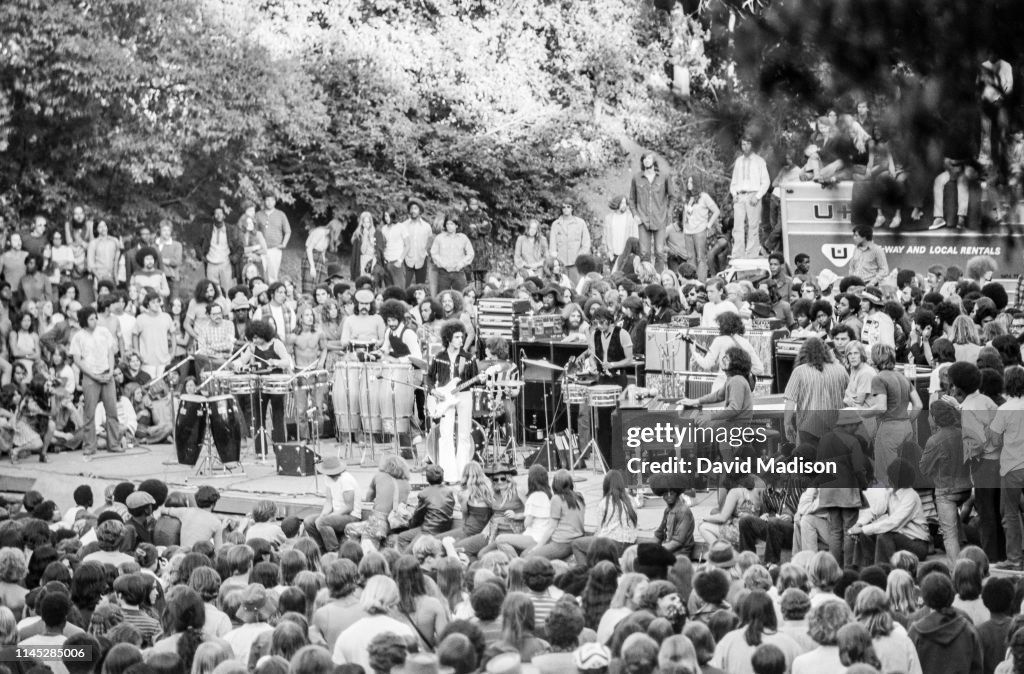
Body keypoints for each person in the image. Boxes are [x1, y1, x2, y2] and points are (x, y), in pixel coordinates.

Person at [427, 320, 480, 483]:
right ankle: (448, 475)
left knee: (464, 435)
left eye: (462, 337)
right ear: (448, 338)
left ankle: (462, 474)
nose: (461, 340)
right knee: (445, 435)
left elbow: (475, 380)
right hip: (444, 396)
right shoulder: (439, 357)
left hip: (464, 396)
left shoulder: (469, 358)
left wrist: (482, 378)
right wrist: (434, 391)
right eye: (457, 337)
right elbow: (429, 378)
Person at [851, 459, 930, 565]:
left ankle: (883, 569)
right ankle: (866, 568)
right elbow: (874, 511)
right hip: (899, 538)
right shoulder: (890, 493)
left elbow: (894, 522)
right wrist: (859, 524)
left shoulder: (911, 496)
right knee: (864, 535)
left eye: (889, 476)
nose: (887, 479)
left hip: (917, 544)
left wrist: (863, 529)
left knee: (883, 535)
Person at [70, 306, 123, 458]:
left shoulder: (104, 332)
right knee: (89, 413)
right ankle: (89, 446)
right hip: (90, 377)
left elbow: (111, 353)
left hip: (107, 374)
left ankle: (114, 443)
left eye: (95, 318)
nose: (94, 321)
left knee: (112, 411)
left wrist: (112, 371)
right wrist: (93, 375)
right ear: (84, 321)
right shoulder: (78, 336)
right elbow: (77, 360)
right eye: (91, 319)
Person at [233, 319, 293, 457]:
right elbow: (242, 360)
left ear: (264, 334)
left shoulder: (276, 344)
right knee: (259, 416)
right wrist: (237, 365)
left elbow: (286, 361)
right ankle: (260, 450)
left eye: (257, 337)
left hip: (275, 383)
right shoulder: (252, 347)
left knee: (278, 415)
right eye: (252, 337)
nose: (254, 340)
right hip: (259, 384)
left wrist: (276, 362)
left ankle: (280, 448)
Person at [908, 573, 983, 674]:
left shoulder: (915, 632)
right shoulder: (967, 628)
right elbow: (977, 668)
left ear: (925, 597)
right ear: (951, 593)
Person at [784, 337, 849, 446]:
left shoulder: (799, 372)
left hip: (809, 429)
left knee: (809, 461)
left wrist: (787, 424)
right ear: (826, 351)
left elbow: (790, 401)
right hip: (837, 428)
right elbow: (850, 396)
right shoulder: (840, 369)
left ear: (804, 352)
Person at [628, 153, 677, 271]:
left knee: (659, 252)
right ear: (642, 162)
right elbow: (631, 199)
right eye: (644, 158)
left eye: (649, 158)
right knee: (644, 253)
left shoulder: (664, 177)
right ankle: (647, 279)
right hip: (643, 220)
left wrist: (668, 213)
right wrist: (635, 215)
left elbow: (672, 196)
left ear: (653, 160)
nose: (646, 160)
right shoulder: (637, 178)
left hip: (660, 219)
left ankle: (659, 278)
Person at [302, 456, 361, 553]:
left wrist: (328, 517)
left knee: (321, 522)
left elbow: (349, 507)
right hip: (335, 514)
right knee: (308, 521)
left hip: (350, 516)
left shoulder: (346, 479)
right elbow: (328, 501)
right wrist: (323, 514)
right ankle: (321, 550)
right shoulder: (327, 478)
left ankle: (334, 551)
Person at [729, 135, 771, 260]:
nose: (745, 147)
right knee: (738, 226)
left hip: (753, 194)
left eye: (747, 144)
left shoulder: (759, 161)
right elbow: (734, 181)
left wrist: (758, 196)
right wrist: (734, 194)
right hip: (740, 195)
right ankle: (738, 253)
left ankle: (751, 253)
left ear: (752, 145)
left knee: (753, 225)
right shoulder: (738, 161)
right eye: (743, 144)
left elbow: (766, 181)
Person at [682, 175, 719, 281]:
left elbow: (716, 211)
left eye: (691, 182)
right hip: (688, 232)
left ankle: (701, 282)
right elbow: (685, 212)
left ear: (696, 184)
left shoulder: (704, 196)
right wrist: (684, 226)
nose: (689, 184)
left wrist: (708, 225)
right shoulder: (688, 197)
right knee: (690, 258)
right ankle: (691, 281)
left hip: (700, 231)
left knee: (700, 258)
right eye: (688, 182)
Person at [548, 203, 591, 284]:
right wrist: (555, 258)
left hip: (576, 262)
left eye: (568, 207)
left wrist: (580, 256)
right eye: (563, 207)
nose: (566, 209)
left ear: (572, 208)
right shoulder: (556, 224)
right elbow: (552, 244)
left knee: (576, 287)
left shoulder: (580, 223)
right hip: (561, 263)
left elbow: (586, 242)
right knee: (562, 285)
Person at [430, 215, 474, 291]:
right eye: (447, 224)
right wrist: (443, 264)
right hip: (443, 273)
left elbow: (470, 253)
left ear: (456, 225)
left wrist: (461, 263)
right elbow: (434, 253)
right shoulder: (439, 238)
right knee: (442, 296)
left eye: (452, 224)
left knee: (461, 296)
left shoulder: (463, 238)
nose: (449, 226)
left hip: (459, 272)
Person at [256, 195, 291, 283]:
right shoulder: (258, 214)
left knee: (273, 276)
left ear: (275, 201)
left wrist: (284, 244)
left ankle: (272, 294)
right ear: (264, 201)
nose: (269, 202)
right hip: (261, 249)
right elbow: (254, 232)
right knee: (260, 274)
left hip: (275, 249)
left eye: (272, 200)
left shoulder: (281, 214)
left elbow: (288, 231)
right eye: (267, 200)